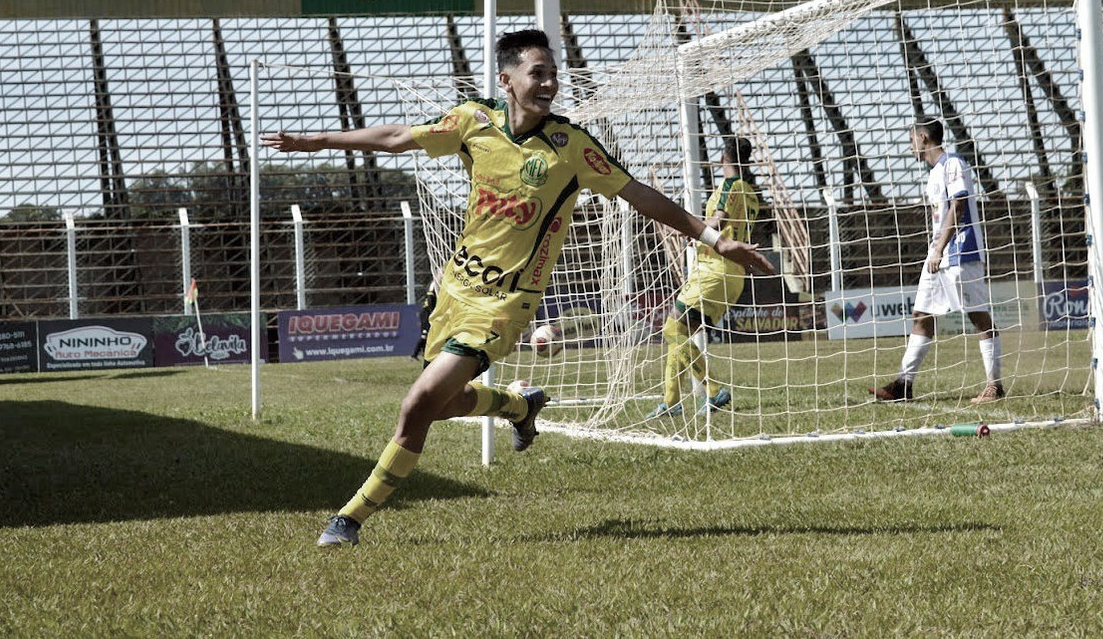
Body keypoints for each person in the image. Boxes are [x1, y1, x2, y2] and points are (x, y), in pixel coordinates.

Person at [261, 29, 774, 547]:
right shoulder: (472, 121)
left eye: (553, 73)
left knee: (416, 405)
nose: (550, 82)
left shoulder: (570, 146)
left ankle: (347, 520)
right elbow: (397, 137)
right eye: (538, 72)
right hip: (455, 289)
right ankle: (517, 406)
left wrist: (712, 238)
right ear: (507, 80)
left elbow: (638, 193)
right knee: (443, 403)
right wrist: (315, 141)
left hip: (506, 302)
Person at [869, 116, 1004, 404]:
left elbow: (959, 206)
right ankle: (904, 385)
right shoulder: (933, 173)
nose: (910, 148)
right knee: (921, 315)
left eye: (911, 141)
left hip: (960, 252)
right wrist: (935, 250)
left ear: (923, 138)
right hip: (938, 255)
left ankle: (994, 385)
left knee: (977, 315)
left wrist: (940, 248)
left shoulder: (954, 164)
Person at [646, 136, 761, 418]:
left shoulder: (732, 185)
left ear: (724, 159)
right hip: (730, 275)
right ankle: (671, 402)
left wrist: (686, 228)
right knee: (679, 333)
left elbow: (717, 221)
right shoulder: (753, 193)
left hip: (714, 271)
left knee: (673, 330)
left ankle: (713, 390)